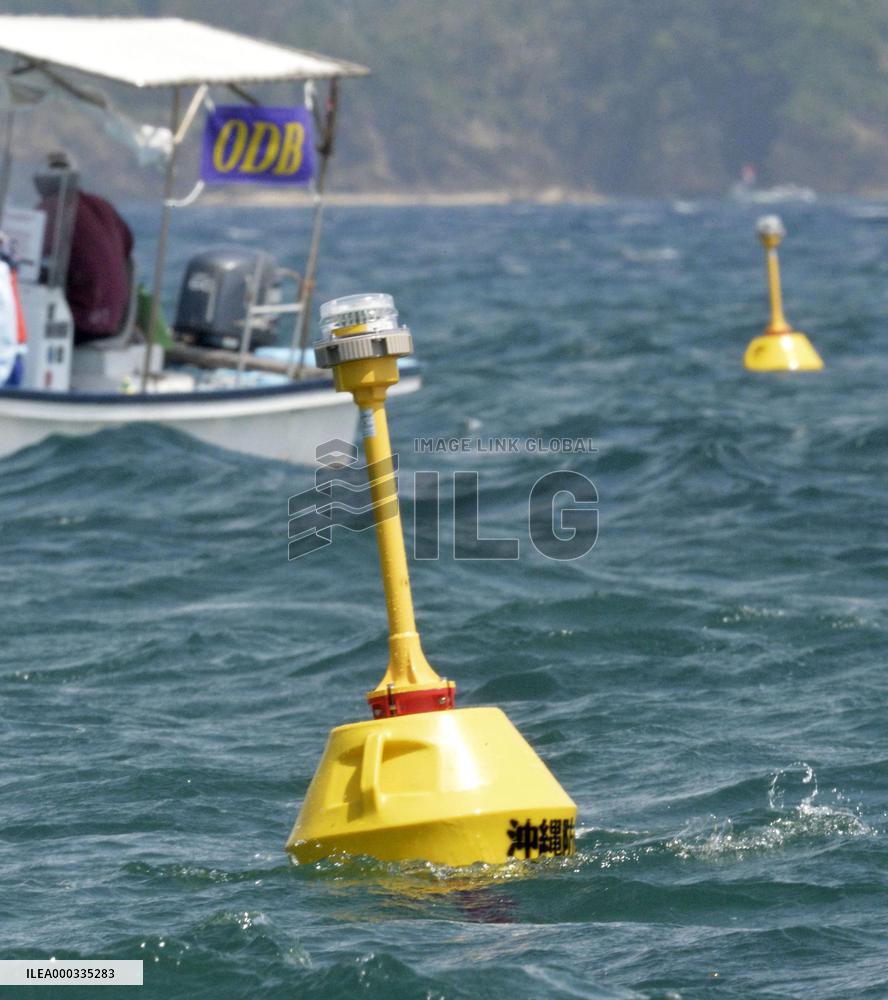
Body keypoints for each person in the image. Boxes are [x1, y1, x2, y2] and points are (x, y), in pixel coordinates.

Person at [38, 152, 134, 344]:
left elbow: (30, 255)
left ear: (41, 182)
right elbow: (128, 245)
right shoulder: (102, 205)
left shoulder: (50, 208)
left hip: (81, 323)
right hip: (114, 321)